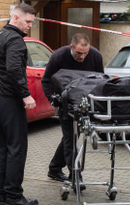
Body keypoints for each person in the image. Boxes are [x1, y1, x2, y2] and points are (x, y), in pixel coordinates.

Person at [0, 3, 38, 205]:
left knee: (0, 147)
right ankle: (14, 196)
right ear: (15, 18)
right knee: (16, 147)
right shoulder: (15, 39)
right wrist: (25, 95)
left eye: (32, 22)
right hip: (7, 99)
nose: (29, 26)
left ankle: (3, 195)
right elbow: (14, 68)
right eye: (27, 21)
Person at [41, 33, 104, 185]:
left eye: (85, 53)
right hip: (64, 102)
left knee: (71, 136)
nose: (82, 57)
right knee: (70, 137)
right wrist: (53, 100)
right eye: (78, 53)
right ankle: (75, 175)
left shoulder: (95, 56)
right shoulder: (59, 56)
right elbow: (46, 80)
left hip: (84, 104)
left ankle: (54, 168)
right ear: (71, 47)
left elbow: (100, 80)